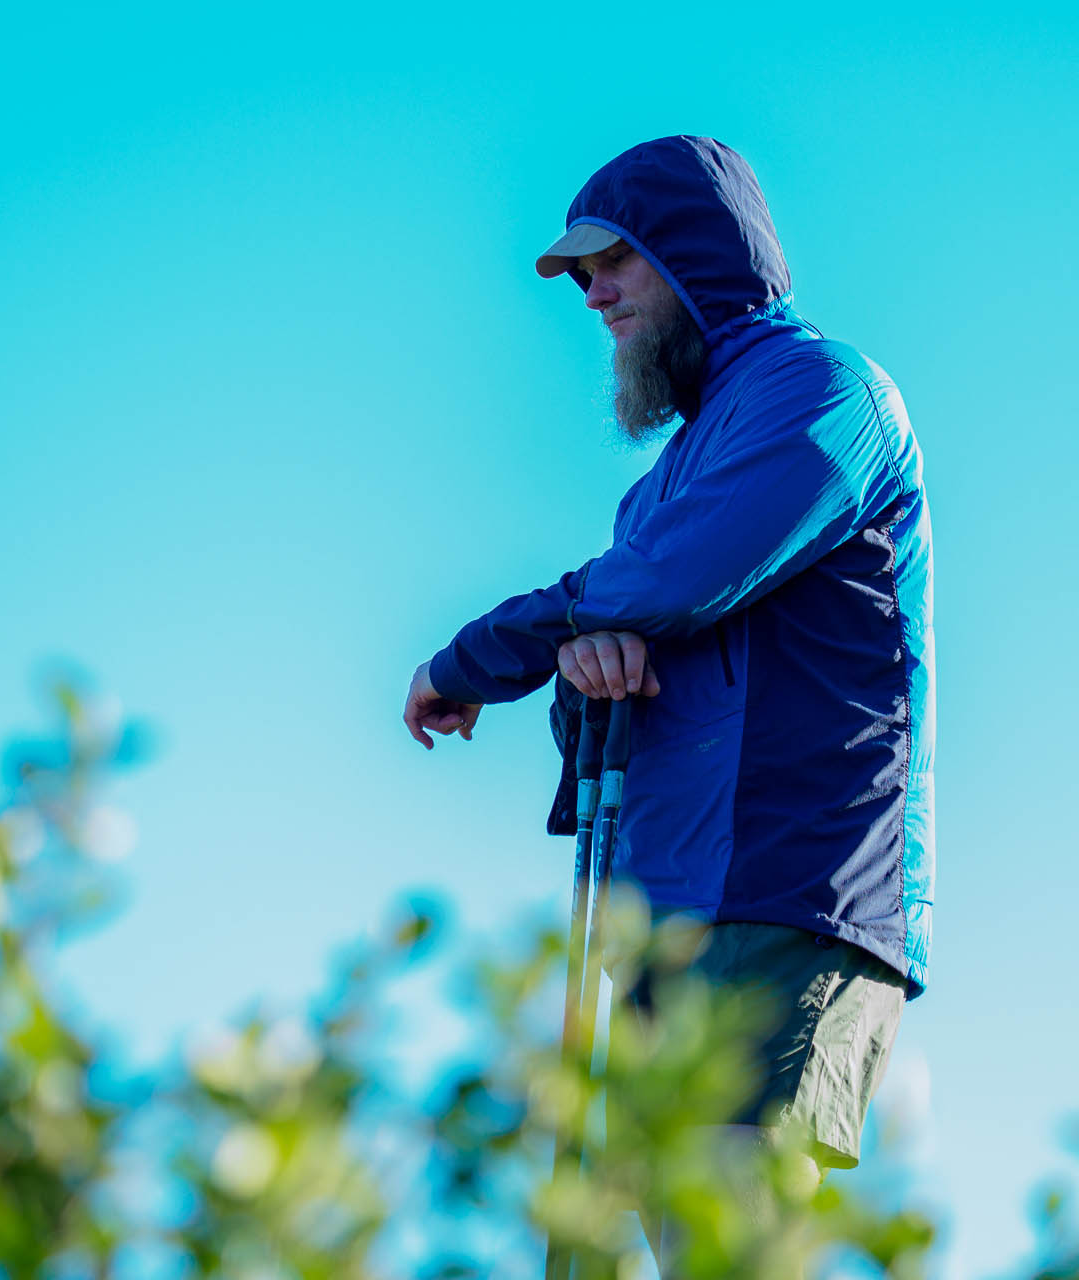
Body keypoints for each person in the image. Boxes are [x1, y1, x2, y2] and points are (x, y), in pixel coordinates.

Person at [400, 135, 935, 1264]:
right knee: (672, 1233)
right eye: (579, 276)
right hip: (667, 910)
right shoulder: (663, 478)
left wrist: (480, 655)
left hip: (793, 894)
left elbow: (668, 584)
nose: (592, 294)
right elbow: (622, 667)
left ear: (699, 257)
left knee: (731, 1237)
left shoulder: (826, 393)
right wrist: (583, 667)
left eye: (613, 262)